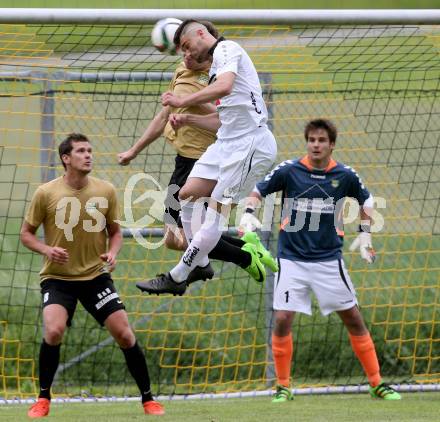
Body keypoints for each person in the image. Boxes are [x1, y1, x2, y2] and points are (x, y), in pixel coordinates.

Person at [241, 119, 401, 402]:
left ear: (331, 145)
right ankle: (283, 386)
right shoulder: (290, 170)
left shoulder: (344, 175)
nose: (316, 145)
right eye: (312, 140)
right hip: (291, 259)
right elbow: (257, 191)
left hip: (329, 260)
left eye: (321, 140)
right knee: (282, 319)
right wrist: (249, 212)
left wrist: (365, 236)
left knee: (353, 317)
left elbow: (368, 202)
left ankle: (377, 383)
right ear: (307, 142)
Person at [119, 22, 276, 294]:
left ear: (202, 34)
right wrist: (188, 118)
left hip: (249, 145)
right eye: (182, 51)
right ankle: (206, 260)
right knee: (185, 196)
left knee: (206, 222)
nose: (186, 55)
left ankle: (178, 276)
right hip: (225, 144)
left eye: (188, 48)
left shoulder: (227, 49)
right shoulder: (213, 67)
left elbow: (225, 87)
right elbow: (222, 120)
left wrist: (181, 103)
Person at [20, 134, 164, 418]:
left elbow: (116, 233)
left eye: (90, 150)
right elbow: (26, 234)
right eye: (81, 151)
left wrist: (113, 253)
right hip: (57, 278)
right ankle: (43, 399)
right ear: (66, 158)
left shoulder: (106, 190)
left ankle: (148, 399)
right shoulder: (46, 193)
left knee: (124, 334)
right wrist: (47, 249)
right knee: (53, 330)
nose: (88, 155)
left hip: (95, 278)